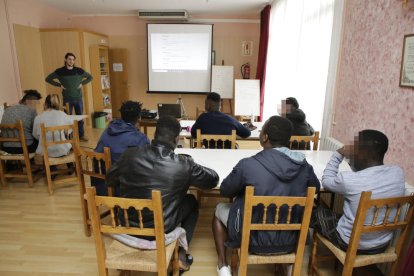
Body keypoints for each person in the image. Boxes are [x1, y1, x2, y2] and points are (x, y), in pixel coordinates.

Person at [106, 115, 219, 272]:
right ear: (176, 139)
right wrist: (190, 162)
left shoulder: (128, 155)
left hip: (127, 225)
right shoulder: (184, 164)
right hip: (162, 228)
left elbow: (109, 180)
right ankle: (180, 253)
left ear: (154, 134)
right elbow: (212, 180)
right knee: (191, 201)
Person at [212, 116, 320, 276]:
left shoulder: (248, 164)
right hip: (290, 240)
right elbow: (315, 188)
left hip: (251, 240)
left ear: (265, 137)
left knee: (218, 209)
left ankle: (223, 265)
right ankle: (289, 266)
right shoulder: (304, 166)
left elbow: (225, 190)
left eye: (262, 129)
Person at [314, 130, 405, 254]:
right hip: (381, 244)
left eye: (353, 149)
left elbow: (326, 181)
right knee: (342, 215)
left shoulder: (349, 180)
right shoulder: (397, 173)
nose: (350, 153)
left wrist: (338, 155)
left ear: (363, 152)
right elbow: (365, 175)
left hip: (351, 243)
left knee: (313, 209)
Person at [92, 100, 150, 196]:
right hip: (126, 190)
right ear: (139, 118)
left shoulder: (107, 130)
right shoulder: (140, 139)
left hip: (102, 185)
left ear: (122, 116)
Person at [45, 52, 93, 142]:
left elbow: (90, 77)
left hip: (78, 98)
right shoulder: (60, 71)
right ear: (65, 60)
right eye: (69, 59)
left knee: (80, 118)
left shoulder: (79, 70)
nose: (71, 61)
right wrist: (59, 85)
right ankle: (68, 136)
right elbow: (48, 78)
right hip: (67, 99)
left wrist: (82, 83)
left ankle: (81, 135)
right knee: (67, 119)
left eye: (73, 59)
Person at [33, 94, 74, 158]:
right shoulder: (63, 114)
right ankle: (70, 164)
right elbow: (68, 132)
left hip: (45, 151)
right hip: (62, 150)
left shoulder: (38, 117)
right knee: (65, 142)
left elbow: (35, 135)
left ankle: (50, 166)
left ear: (45, 104)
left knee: (42, 144)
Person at [1, 90, 42, 154]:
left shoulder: (7, 110)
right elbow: (35, 131)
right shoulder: (31, 111)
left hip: (6, 147)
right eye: (37, 103)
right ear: (32, 102)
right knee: (41, 139)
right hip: (25, 147)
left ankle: (13, 162)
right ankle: (33, 161)